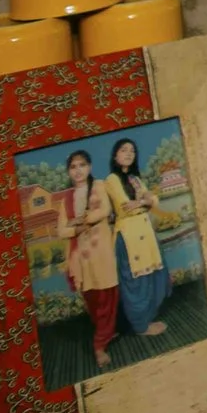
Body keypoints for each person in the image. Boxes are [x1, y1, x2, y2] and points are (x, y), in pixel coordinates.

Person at [55, 150, 121, 369]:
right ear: (69, 171)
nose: (78, 170)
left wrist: (82, 221)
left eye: (82, 165)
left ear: (90, 167)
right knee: (92, 299)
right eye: (73, 166)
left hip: (101, 252)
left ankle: (99, 344)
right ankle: (106, 332)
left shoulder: (99, 186)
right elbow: (62, 231)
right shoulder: (65, 199)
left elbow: (105, 209)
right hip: (81, 259)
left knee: (107, 296)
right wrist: (77, 228)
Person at [102, 138, 169, 339]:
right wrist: (146, 202)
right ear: (115, 155)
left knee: (154, 278)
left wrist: (142, 202)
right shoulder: (111, 179)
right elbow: (125, 208)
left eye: (132, 151)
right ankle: (140, 326)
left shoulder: (135, 179)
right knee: (135, 283)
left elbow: (155, 199)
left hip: (146, 234)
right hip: (129, 237)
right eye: (124, 150)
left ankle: (147, 319)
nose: (129, 154)